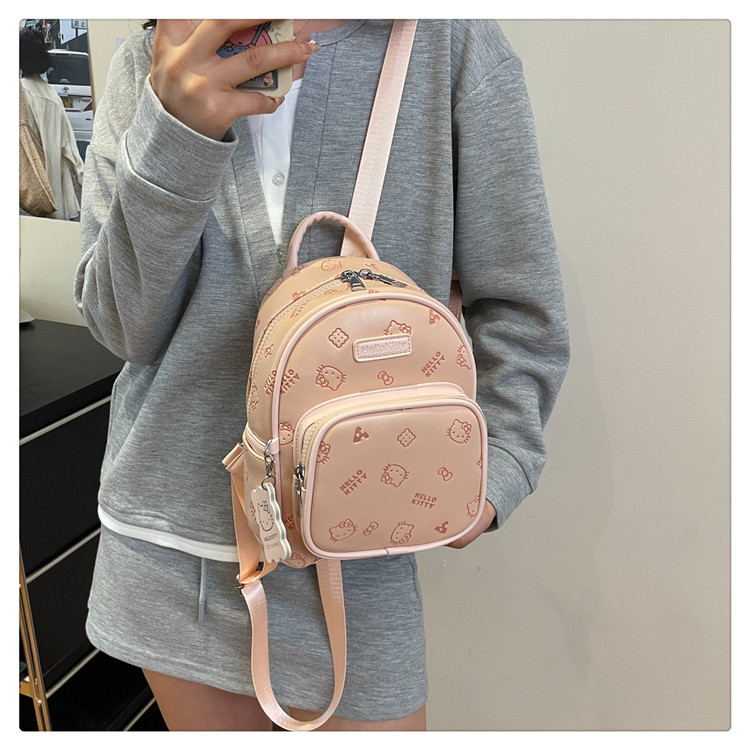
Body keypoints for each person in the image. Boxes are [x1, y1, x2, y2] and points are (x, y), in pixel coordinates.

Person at [74, 19, 569, 731]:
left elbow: (521, 307)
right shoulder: (152, 58)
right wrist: (177, 132)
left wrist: (495, 474)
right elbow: (123, 328)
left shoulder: (449, 47)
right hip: (167, 552)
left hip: (358, 546)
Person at [19, 27, 84, 220]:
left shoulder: (20, 91)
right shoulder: (52, 95)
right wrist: (81, 175)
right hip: (54, 189)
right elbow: (69, 145)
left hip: (29, 187)